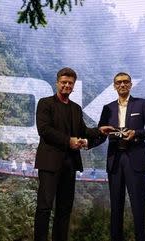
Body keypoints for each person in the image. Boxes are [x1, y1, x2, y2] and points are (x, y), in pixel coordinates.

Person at [34, 67, 102, 241]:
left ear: (73, 86)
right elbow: (44, 130)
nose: (66, 85)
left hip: (69, 164)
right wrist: (68, 141)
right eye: (63, 82)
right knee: (44, 207)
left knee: (64, 209)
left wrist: (100, 130)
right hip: (49, 163)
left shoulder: (76, 109)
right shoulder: (45, 103)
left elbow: (83, 131)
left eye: (70, 83)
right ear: (57, 83)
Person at [98, 72, 145, 241]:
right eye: (119, 82)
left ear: (131, 84)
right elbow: (100, 133)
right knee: (115, 207)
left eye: (125, 82)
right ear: (114, 86)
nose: (122, 85)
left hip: (135, 160)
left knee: (138, 206)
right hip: (115, 160)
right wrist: (87, 142)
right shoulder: (107, 108)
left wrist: (136, 133)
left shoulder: (142, 104)